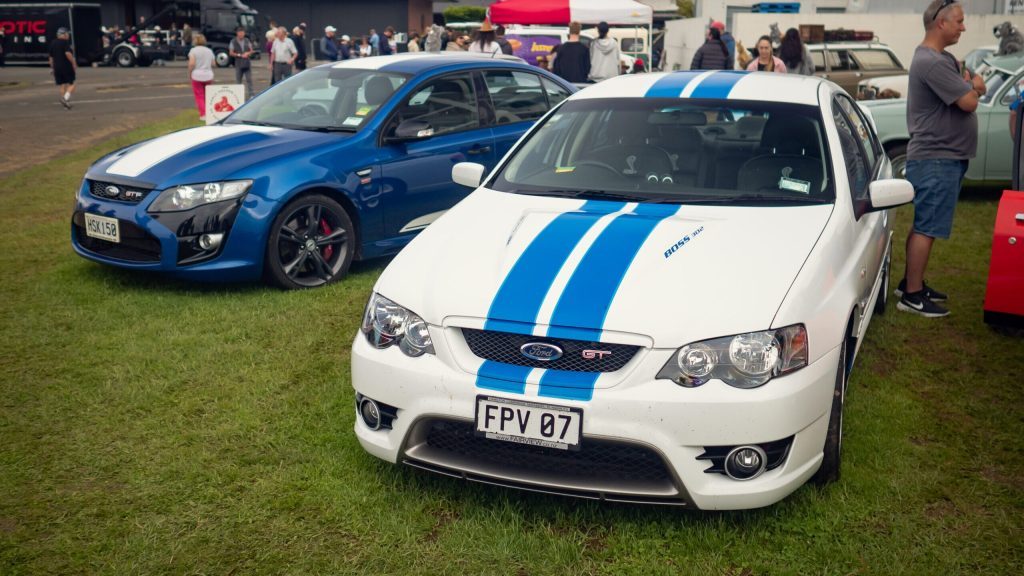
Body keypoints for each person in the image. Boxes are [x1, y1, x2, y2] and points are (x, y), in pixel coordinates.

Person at [897, 0, 985, 317]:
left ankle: (911, 282)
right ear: (941, 24)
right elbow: (969, 101)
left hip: (942, 156)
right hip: (936, 157)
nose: (963, 27)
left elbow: (974, 84)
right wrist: (971, 86)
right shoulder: (931, 62)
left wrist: (970, 85)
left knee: (925, 223)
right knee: (927, 226)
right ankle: (912, 295)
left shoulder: (942, 58)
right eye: (959, 21)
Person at [187, 33, 215, 120]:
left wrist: (190, 73)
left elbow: (191, 63)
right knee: (208, 95)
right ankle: (210, 111)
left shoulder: (193, 51)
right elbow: (213, 64)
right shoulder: (209, 51)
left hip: (197, 75)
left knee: (199, 95)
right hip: (208, 75)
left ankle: (203, 114)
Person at [49, 27, 76, 109]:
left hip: (57, 68)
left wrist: (52, 68)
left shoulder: (52, 43)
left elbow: (50, 58)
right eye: (67, 34)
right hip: (66, 66)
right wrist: (73, 63)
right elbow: (67, 53)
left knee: (62, 85)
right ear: (63, 34)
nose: (68, 35)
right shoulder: (65, 42)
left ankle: (65, 104)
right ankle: (65, 98)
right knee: (72, 84)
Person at [229, 27, 255, 99]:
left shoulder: (247, 40)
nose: (241, 34)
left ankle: (251, 95)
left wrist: (248, 53)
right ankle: (238, 96)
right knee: (238, 81)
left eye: (242, 33)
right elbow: (231, 53)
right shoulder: (233, 41)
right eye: (240, 33)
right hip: (238, 63)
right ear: (237, 33)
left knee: (249, 80)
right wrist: (239, 55)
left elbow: (251, 51)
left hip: (247, 63)